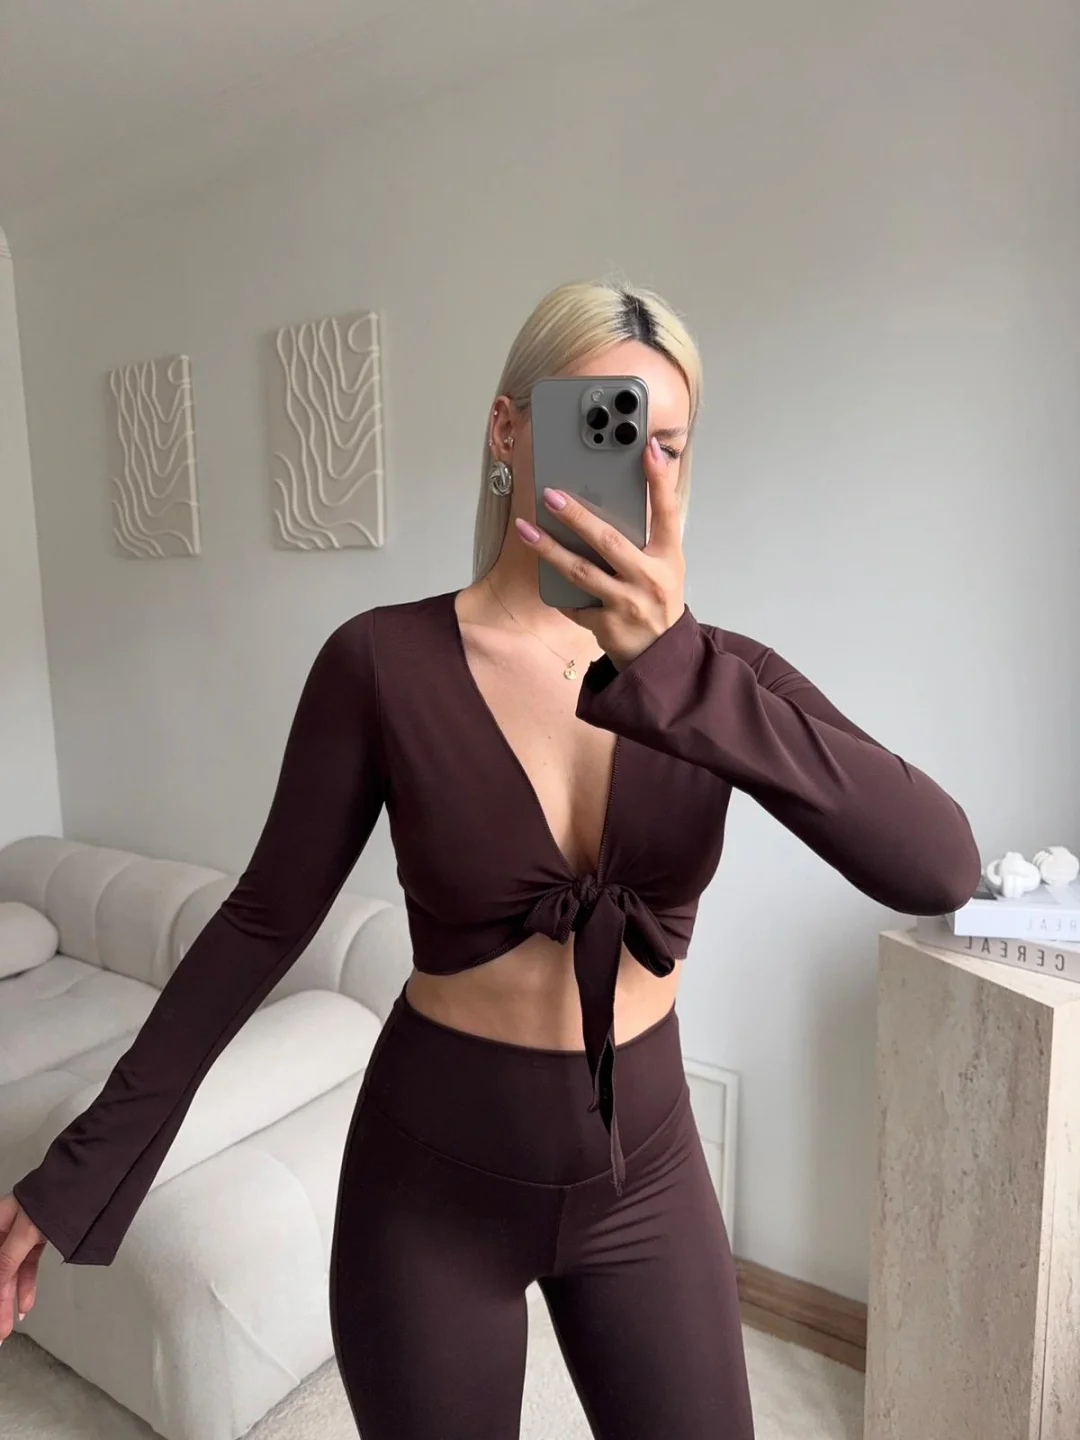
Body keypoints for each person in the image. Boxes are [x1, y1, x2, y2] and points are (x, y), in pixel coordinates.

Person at [0, 280, 981, 1437]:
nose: (638, 469)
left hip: (647, 1178)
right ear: (508, 431)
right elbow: (263, 921)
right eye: (603, 424)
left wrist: (677, 669)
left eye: (667, 444)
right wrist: (79, 1167)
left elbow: (937, 865)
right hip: (429, 1187)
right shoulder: (381, 663)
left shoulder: (727, 681)